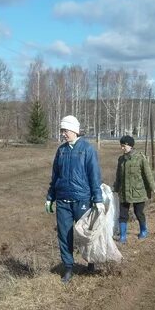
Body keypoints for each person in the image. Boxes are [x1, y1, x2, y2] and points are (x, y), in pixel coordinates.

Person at [46, 115, 105, 284]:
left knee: (85, 234)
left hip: (82, 199)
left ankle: (90, 261)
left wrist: (97, 198)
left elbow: (94, 175)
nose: (63, 134)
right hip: (63, 200)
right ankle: (69, 268)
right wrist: (50, 197)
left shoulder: (87, 149)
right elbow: (55, 176)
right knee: (64, 235)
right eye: (62, 130)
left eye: (65, 130)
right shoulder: (61, 150)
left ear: (74, 130)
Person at [113, 135, 155, 243]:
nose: (122, 148)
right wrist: (115, 188)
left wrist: (153, 187)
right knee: (123, 214)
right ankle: (123, 236)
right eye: (121, 146)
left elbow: (148, 174)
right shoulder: (121, 160)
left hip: (138, 192)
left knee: (139, 213)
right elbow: (118, 176)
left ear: (130, 146)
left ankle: (143, 230)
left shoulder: (140, 158)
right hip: (124, 192)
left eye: (123, 146)